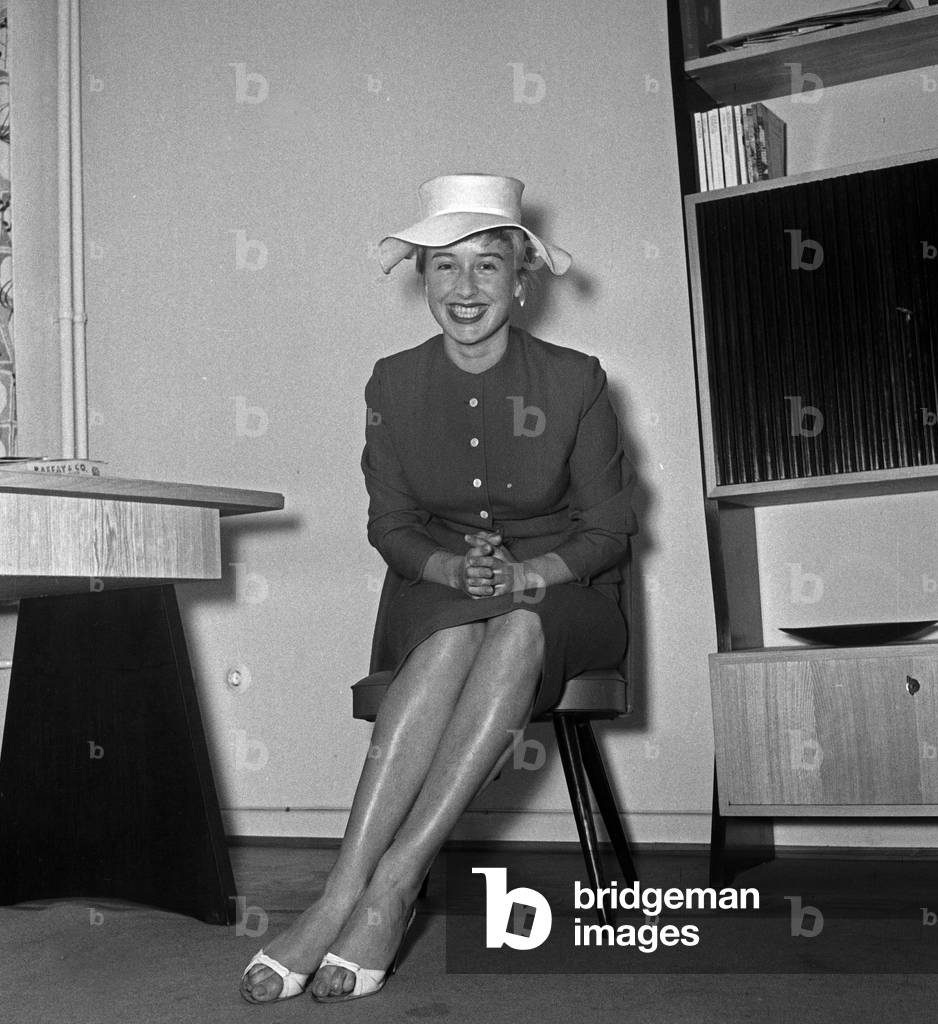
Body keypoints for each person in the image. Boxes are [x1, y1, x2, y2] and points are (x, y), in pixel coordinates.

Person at [240, 173, 636, 1003]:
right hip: (436, 589)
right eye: (444, 268)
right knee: (458, 629)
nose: (465, 289)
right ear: (421, 280)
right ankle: (343, 892)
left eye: (487, 267)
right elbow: (392, 526)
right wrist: (454, 570)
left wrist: (531, 573)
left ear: (521, 281)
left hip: (568, 592)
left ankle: (394, 884)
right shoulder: (391, 383)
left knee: (519, 628)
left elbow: (608, 531)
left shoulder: (577, 379)